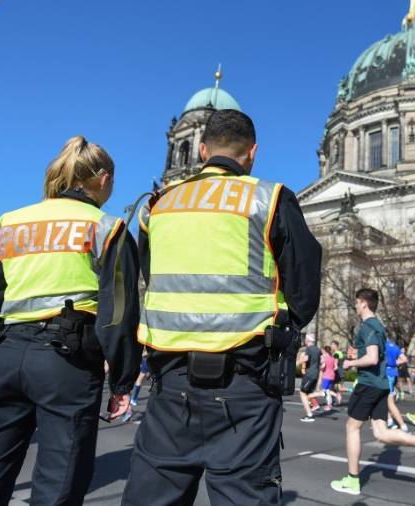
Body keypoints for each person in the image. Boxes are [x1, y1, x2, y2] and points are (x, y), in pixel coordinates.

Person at [123, 109, 321, 505]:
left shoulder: (159, 206)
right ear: (252, 153)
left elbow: (150, 277)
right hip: (246, 381)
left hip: (170, 381)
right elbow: (303, 291)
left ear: (201, 149)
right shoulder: (270, 198)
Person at [0, 136, 141, 506]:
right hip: (66, 359)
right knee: (59, 480)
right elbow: (118, 312)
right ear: (103, 178)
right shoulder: (107, 227)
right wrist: (122, 381)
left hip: (4, 354)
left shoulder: (9, 223)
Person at [330, 288, 415, 495]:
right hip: (382, 384)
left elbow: (373, 358)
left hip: (369, 384)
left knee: (352, 427)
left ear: (364, 303)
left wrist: (350, 363)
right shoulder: (379, 327)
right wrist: (359, 352)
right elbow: (376, 354)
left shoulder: (368, 326)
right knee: (381, 433)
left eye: (357, 303)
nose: (355, 306)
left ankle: (352, 479)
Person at [383, 335, 409, 431]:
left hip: (387, 374)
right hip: (393, 373)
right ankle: (390, 421)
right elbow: (404, 359)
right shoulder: (394, 346)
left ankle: (402, 425)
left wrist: (391, 363)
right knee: (384, 399)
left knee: (389, 401)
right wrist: (395, 363)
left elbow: (382, 361)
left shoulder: (382, 346)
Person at [298, 334, 323, 421]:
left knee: (302, 392)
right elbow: (322, 362)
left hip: (309, 374)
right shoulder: (318, 349)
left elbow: (305, 359)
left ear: (307, 340)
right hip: (316, 373)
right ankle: (310, 413)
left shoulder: (309, 349)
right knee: (308, 393)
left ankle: (309, 415)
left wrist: (296, 363)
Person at [320, 345, 342, 410]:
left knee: (324, 391)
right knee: (327, 390)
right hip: (332, 376)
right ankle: (329, 405)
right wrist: (331, 370)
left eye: (322, 350)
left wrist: (320, 368)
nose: (322, 351)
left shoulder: (324, 358)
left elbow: (323, 366)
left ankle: (335, 395)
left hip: (326, 376)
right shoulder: (332, 358)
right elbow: (336, 367)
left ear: (324, 351)